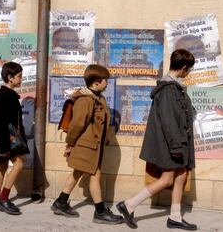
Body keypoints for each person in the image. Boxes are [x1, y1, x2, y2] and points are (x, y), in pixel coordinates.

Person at [117, 49, 197, 230]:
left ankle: (175, 216)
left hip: (178, 141)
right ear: (183, 68)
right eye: (189, 70)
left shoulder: (174, 87)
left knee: (181, 174)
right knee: (168, 178)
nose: (189, 73)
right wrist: (176, 146)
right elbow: (169, 121)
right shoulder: (169, 89)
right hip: (172, 143)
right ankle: (129, 205)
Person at [51, 64, 124, 225]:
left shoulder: (98, 97)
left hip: (93, 145)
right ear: (96, 82)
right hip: (86, 145)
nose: (107, 83)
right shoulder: (85, 100)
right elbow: (77, 125)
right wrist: (69, 144)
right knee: (95, 175)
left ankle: (60, 202)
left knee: (77, 173)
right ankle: (100, 212)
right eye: (105, 80)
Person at [0, 61, 29, 215]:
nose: (21, 79)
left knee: (3, 166)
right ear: (10, 78)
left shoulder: (8, 95)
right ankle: (3, 198)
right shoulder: (5, 96)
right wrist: (3, 147)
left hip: (8, 140)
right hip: (6, 141)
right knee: (19, 164)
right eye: (19, 76)